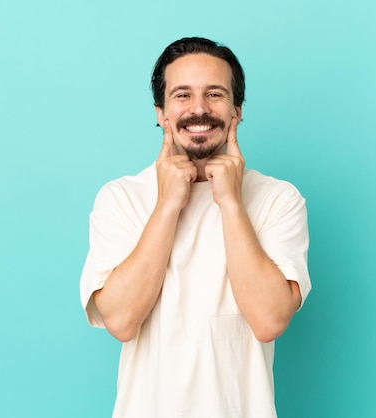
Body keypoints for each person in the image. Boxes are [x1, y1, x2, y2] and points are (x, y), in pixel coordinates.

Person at [79, 37, 311, 418]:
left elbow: (269, 320)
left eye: (215, 94)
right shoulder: (121, 198)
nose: (199, 109)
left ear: (237, 111)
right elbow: (120, 321)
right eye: (182, 95)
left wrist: (231, 202)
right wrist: (168, 204)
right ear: (161, 113)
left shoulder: (277, 200)